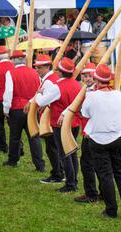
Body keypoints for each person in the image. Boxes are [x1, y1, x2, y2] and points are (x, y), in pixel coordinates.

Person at [81, 64, 121, 218]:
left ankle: (111, 210)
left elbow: (85, 113)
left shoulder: (91, 96)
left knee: (105, 175)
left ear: (96, 80)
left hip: (98, 139)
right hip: (119, 137)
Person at [35, 57, 81, 192]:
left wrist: (38, 94)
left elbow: (42, 102)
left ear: (60, 72)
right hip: (75, 123)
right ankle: (74, 180)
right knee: (72, 153)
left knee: (65, 154)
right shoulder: (77, 84)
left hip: (60, 125)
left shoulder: (57, 87)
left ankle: (71, 184)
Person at [2, 50, 44, 171]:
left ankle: (13, 160)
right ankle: (39, 164)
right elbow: (39, 89)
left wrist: (6, 109)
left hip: (17, 108)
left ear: (13, 61)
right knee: (34, 137)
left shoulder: (11, 73)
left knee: (15, 136)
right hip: (32, 107)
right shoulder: (34, 72)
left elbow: (9, 92)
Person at [69, 63, 103, 203]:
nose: (87, 78)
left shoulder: (96, 91)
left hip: (92, 132)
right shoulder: (87, 89)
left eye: (90, 76)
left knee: (88, 163)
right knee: (95, 163)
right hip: (88, 130)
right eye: (85, 76)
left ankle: (91, 194)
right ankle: (101, 192)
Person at [30, 54, 65, 184]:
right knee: (54, 147)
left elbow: (45, 100)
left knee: (52, 148)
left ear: (47, 67)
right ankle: (60, 171)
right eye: (36, 67)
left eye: (39, 67)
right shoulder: (50, 78)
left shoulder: (49, 81)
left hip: (50, 119)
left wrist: (38, 97)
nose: (37, 70)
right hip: (51, 117)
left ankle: (57, 173)